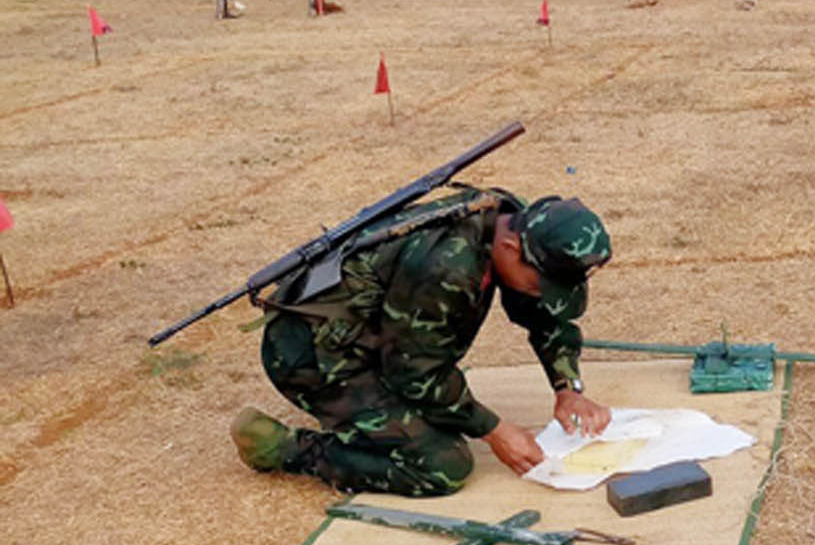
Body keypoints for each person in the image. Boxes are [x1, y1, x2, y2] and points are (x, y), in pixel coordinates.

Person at [230, 189, 614, 496]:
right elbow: (413, 372)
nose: (542, 294)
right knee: (442, 465)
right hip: (314, 359)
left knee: (436, 411)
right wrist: (493, 430)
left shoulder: (513, 223)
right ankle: (285, 448)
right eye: (540, 284)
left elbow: (544, 315)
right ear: (511, 249)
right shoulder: (446, 267)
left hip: (380, 344)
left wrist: (567, 387)